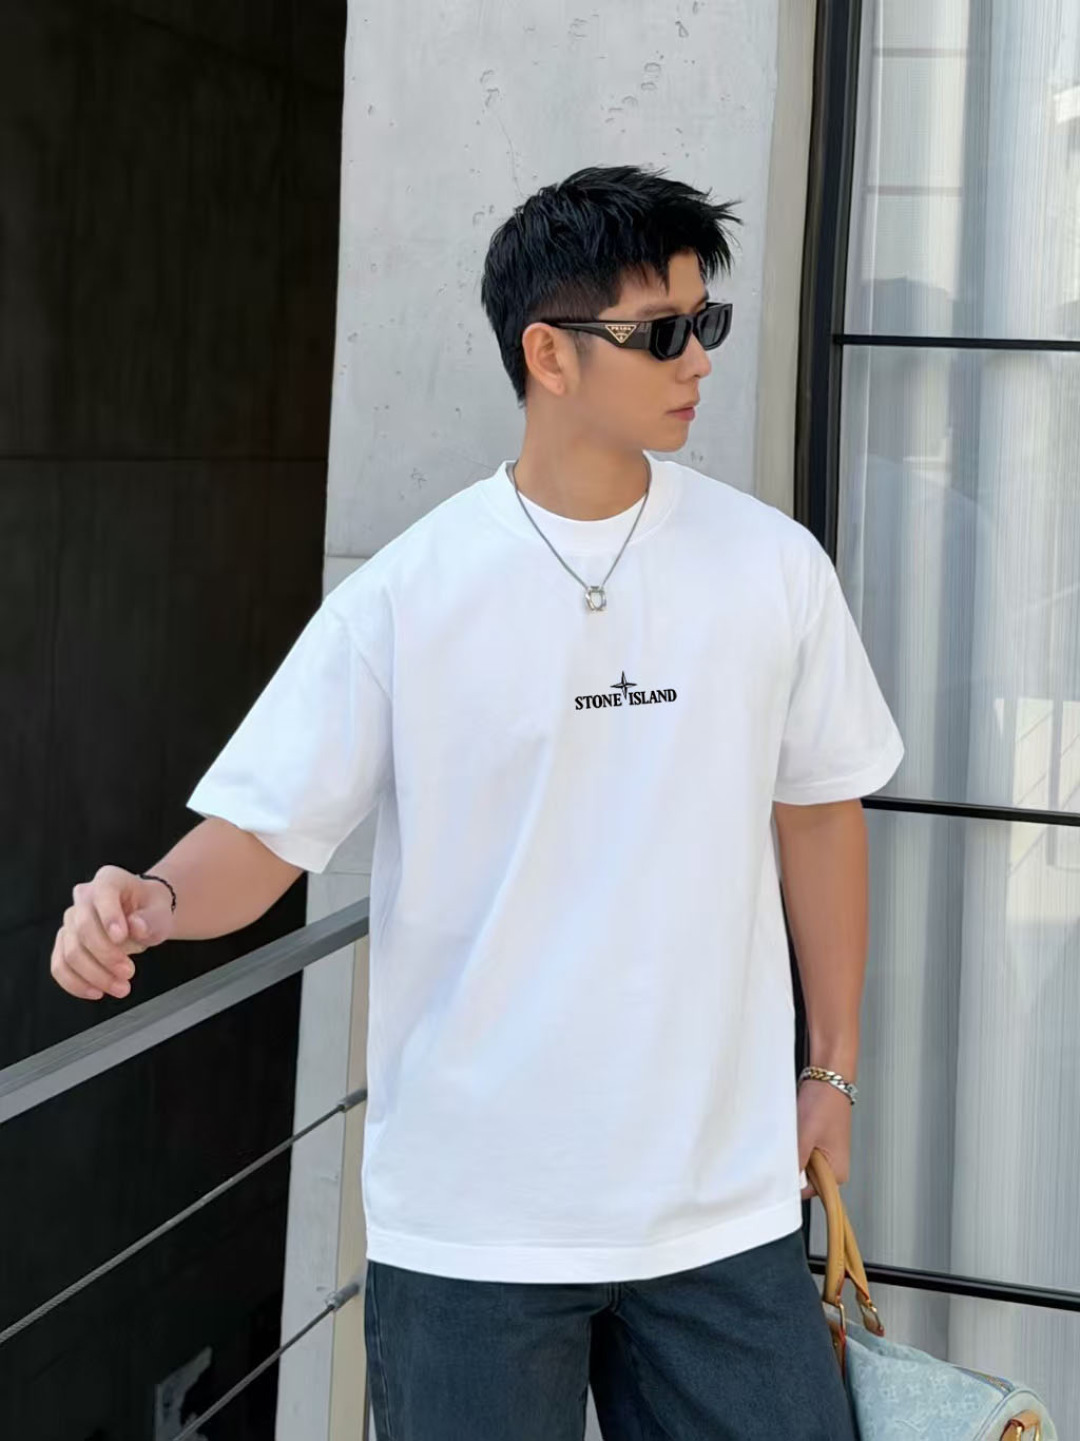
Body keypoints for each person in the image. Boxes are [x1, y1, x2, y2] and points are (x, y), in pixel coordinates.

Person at [52, 164, 904, 1439]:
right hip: (471, 1227)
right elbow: (265, 836)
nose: (698, 359)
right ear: (548, 354)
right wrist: (153, 900)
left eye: (706, 321)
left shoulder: (772, 568)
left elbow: (820, 809)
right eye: (662, 332)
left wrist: (832, 1066)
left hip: (718, 1207)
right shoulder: (409, 595)